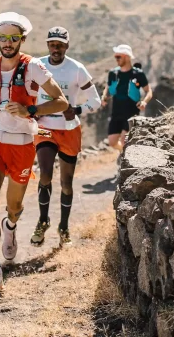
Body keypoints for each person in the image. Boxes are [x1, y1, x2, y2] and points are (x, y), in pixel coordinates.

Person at [0, 12, 69, 295]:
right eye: (3, 37)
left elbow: (60, 102)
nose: (8, 42)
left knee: (13, 207)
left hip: (22, 144)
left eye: (14, 38)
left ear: (22, 39)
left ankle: (10, 225)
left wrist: (30, 110)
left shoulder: (34, 67)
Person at [30, 27, 101, 248]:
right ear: (47, 45)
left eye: (60, 45)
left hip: (69, 128)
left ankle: (64, 227)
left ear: (67, 46)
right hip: (44, 127)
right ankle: (43, 221)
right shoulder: (37, 65)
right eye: (52, 44)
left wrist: (77, 109)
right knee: (45, 175)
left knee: (66, 184)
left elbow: (96, 100)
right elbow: (26, 91)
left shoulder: (77, 69)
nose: (56, 49)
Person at [101, 45, 152, 151]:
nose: (116, 59)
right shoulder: (113, 73)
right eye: (116, 57)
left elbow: (148, 91)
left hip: (131, 113)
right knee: (112, 142)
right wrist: (104, 96)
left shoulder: (138, 74)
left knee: (125, 140)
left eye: (119, 57)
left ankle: (126, 159)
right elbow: (108, 86)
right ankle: (123, 152)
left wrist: (144, 102)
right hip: (116, 113)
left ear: (127, 57)